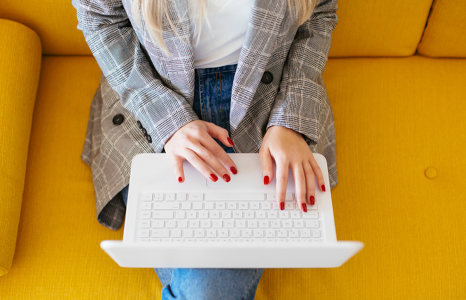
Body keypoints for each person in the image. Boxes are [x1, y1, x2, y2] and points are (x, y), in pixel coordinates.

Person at [75, 0, 338, 298]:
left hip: (270, 101)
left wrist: (289, 120)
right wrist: (167, 120)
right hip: (150, 96)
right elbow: (98, 16)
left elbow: (320, 10)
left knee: (205, 289)